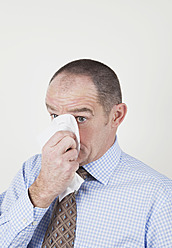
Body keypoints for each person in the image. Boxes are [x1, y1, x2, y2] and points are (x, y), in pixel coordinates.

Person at [0, 59, 172, 248]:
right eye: (55, 116)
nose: (66, 134)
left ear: (116, 116)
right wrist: (42, 190)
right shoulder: (32, 172)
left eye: (80, 118)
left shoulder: (159, 195)